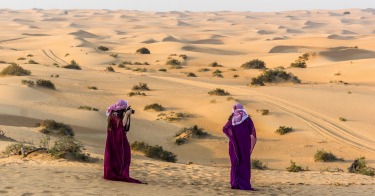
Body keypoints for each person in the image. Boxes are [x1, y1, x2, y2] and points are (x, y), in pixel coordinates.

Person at [103, 99, 142, 183]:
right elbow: (121, 124)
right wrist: (126, 115)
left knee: (124, 154)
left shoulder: (117, 114)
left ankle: (120, 172)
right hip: (115, 140)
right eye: (125, 108)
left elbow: (124, 128)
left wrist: (127, 116)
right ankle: (118, 173)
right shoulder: (113, 115)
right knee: (117, 155)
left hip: (120, 139)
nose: (125, 110)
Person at [223, 103, 257, 190]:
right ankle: (244, 184)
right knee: (244, 162)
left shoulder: (232, 119)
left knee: (235, 162)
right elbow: (252, 131)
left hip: (234, 144)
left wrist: (233, 137)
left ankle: (235, 183)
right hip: (245, 144)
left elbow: (225, 128)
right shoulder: (247, 119)